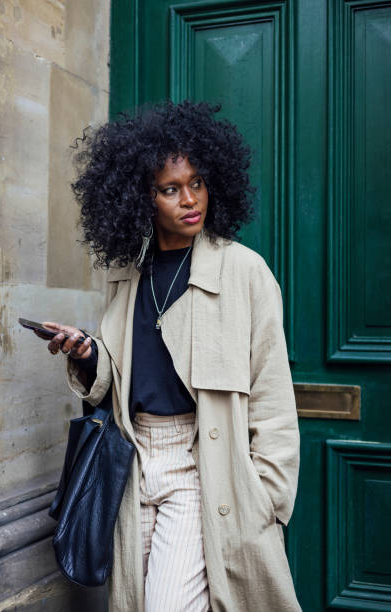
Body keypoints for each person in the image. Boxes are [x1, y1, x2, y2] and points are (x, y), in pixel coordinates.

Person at [36, 101, 301, 612]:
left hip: (200, 464)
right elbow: (119, 372)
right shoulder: (126, 272)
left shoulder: (246, 272)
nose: (189, 199)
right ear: (143, 197)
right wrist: (88, 354)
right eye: (170, 189)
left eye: (197, 183)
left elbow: (272, 395)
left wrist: (266, 497)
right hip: (135, 461)